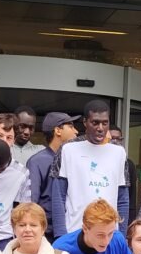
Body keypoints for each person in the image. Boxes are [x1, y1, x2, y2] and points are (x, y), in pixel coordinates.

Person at [50, 99, 130, 235]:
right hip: (75, 231)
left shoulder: (119, 152)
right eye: (95, 123)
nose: (100, 128)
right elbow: (58, 196)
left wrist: (121, 235)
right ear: (85, 122)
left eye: (105, 123)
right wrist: (61, 235)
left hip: (108, 234)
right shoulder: (68, 149)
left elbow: (123, 199)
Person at [27, 112, 79, 241]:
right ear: (58, 131)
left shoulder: (75, 160)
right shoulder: (37, 161)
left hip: (74, 228)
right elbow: (32, 202)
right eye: (70, 127)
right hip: (48, 233)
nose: (76, 131)